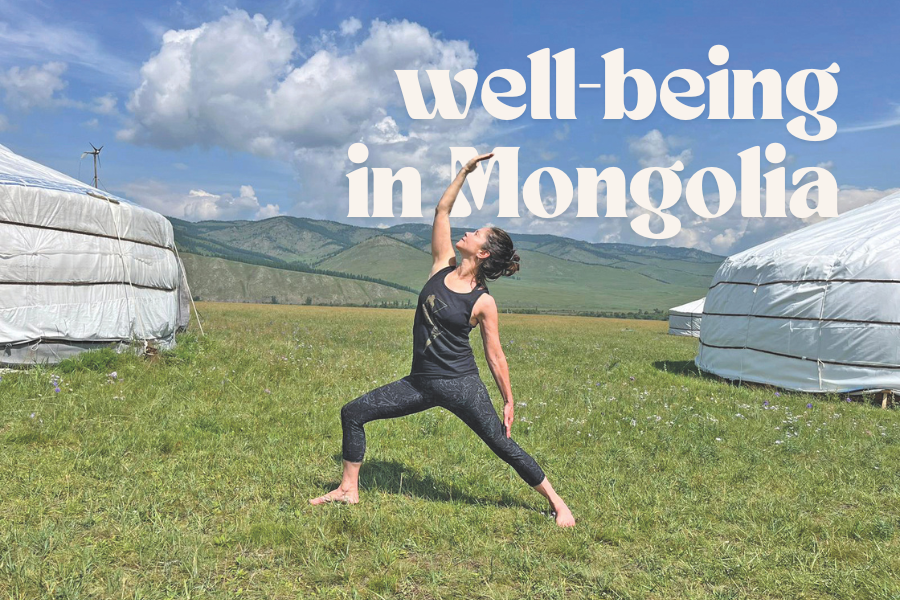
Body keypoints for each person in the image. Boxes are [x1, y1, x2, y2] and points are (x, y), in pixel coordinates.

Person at [310, 153, 575, 527]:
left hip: (461, 386)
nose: (468, 233)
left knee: (502, 444)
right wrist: (464, 172)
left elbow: (495, 357)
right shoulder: (441, 265)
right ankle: (348, 489)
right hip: (420, 382)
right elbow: (442, 211)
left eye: (477, 234)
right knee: (353, 413)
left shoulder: (483, 301)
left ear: (483, 253)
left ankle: (558, 503)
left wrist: (509, 399)